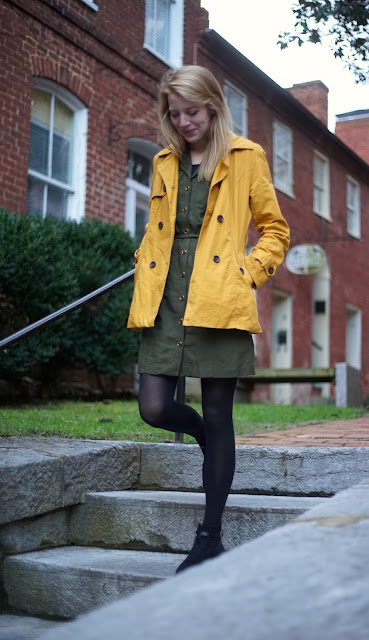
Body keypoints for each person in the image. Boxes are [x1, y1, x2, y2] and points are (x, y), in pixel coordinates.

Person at [127, 65, 290, 573]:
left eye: (191, 112)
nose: (183, 122)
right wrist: (142, 260)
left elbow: (275, 231)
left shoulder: (246, 157)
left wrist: (247, 274)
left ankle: (209, 535)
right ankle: (197, 432)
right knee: (153, 407)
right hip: (165, 297)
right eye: (174, 114)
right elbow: (159, 230)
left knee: (222, 416)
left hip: (220, 296)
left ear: (213, 105)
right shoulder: (163, 161)